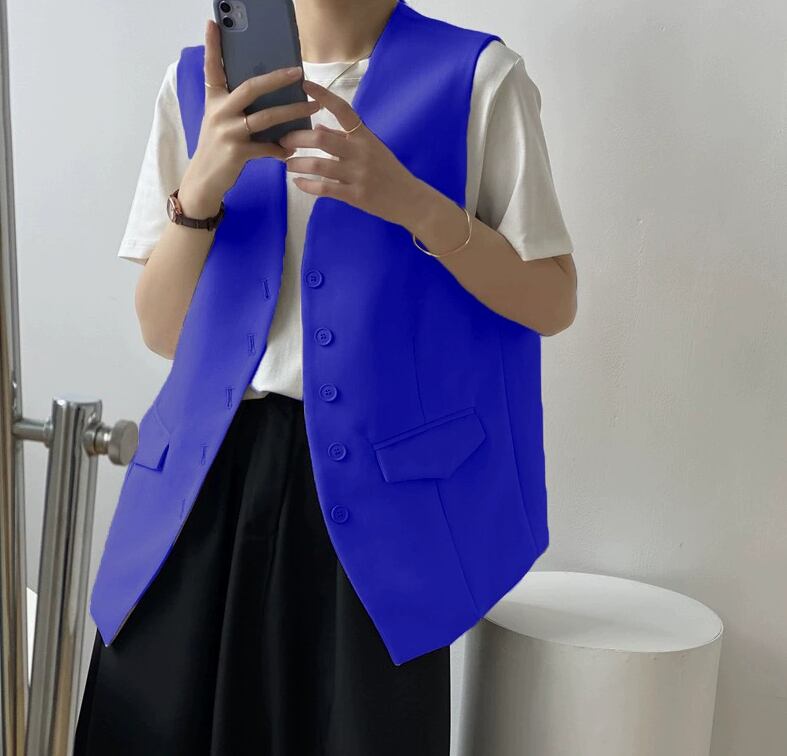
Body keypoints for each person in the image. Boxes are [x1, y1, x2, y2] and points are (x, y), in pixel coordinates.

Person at [73, 0, 577, 753]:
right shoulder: (197, 84)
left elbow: (551, 300)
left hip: (380, 513)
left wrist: (412, 203)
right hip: (200, 490)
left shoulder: (478, 78)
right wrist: (202, 186)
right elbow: (164, 331)